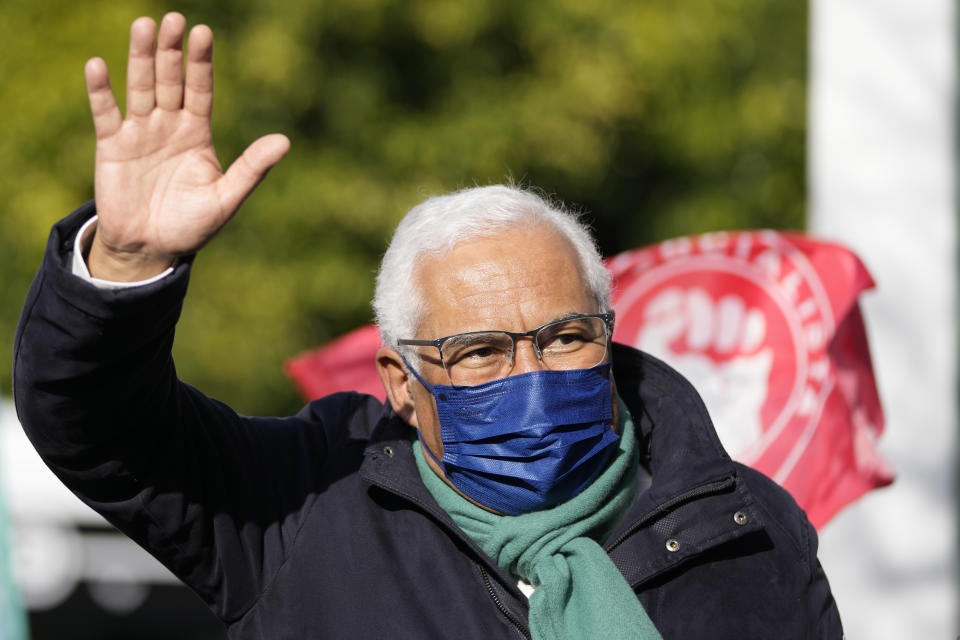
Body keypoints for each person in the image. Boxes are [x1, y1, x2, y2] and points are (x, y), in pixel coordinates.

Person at [13, 12, 843, 640]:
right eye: (478, 352)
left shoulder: (748, 525)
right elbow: (97, 424)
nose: (532, 376)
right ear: (401, 384)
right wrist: (125, 264)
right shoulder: (301, 506)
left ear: (608, 328)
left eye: (563, 337)